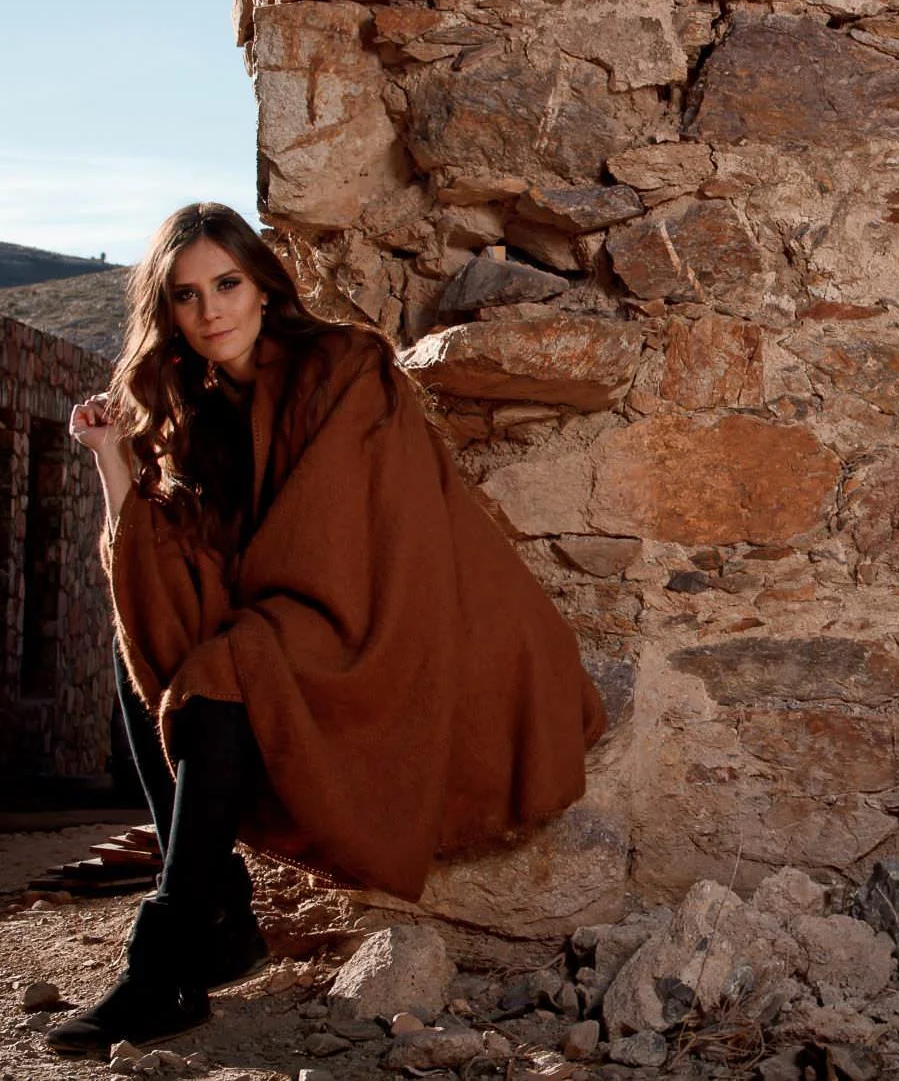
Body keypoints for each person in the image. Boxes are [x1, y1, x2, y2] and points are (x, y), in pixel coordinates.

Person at [55, 203, 606, 1055]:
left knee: (222, 670)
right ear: (167, 313)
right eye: (187, 296)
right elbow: (160, 578)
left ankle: (164, 966)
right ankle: (222, 916)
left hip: (398, 612)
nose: (211, 313)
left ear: (264, 287)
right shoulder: (196, 418)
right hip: (292, 617)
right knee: (161, 677)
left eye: (227, 284)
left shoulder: (346, 366)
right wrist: (113, 459)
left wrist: (246, 619)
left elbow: (340, 534)